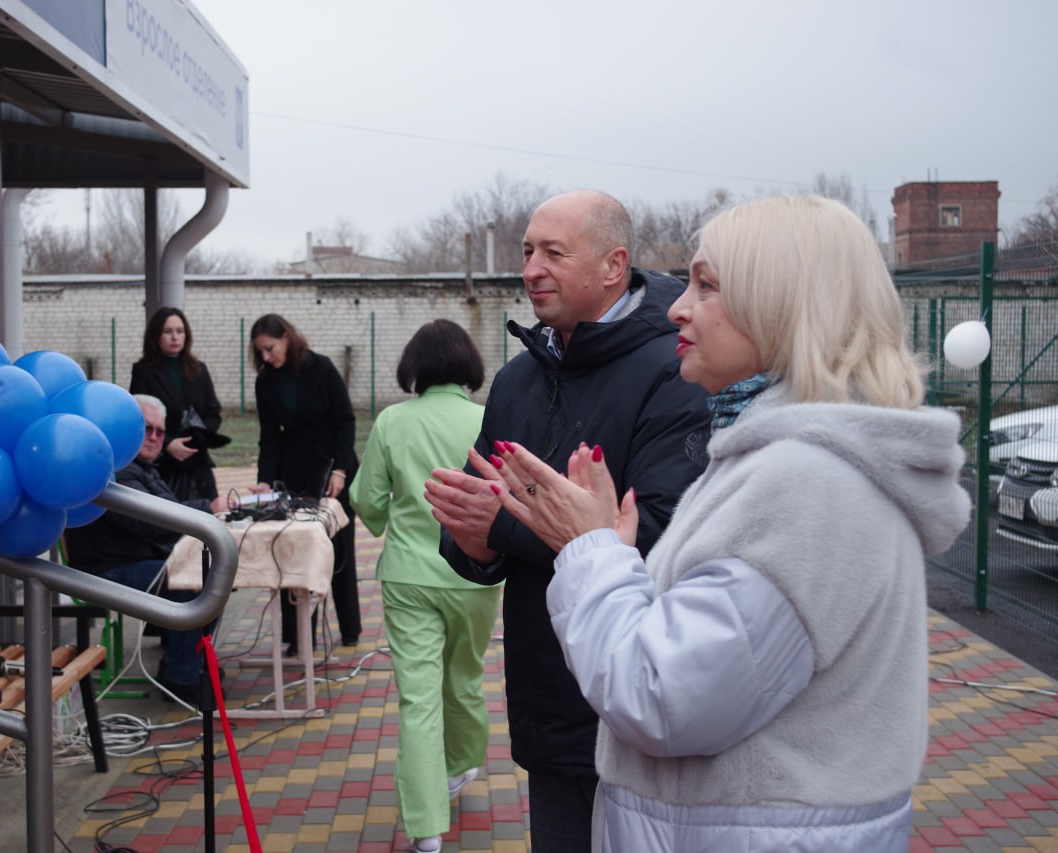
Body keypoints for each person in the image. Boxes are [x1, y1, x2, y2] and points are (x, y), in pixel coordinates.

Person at [483, 195, 972, 851]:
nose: (678, 307)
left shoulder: (807, 484)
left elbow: (660, 695)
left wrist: (593, 549)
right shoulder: (780, 458)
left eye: (706, 285)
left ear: (784, 304)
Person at [424, 189, 711, 850]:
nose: (530, 268)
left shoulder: (675, 372)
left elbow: (658, 532)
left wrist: (501, 528)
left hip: (640, 705)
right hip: (549, 705)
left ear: (613, 266)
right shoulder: (519, 381)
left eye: (553, 252)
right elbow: (483, 522)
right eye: (527, 251)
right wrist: (473, 543)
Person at [349, 320, 502, 853]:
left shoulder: (392, 421)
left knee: (418, 700)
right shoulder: (489, 419)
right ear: (469, 368)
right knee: (464, 677)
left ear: (414, 367)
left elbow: (366, 500)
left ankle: (426, 830)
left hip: (409, 575)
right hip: (475, 575)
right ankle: (460, 767)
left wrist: (390, 511)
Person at [64, 394, 229, 707]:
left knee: (205, 574)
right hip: (104, 571)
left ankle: (183, 664)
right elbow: (149, 522)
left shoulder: (141, 467)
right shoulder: (119, 470)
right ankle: (183, 678)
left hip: (129, 560)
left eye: (160, 432)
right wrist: (206, 508)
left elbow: (165, 516)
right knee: (199, 582)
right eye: (146, 429)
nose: (153, 437)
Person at [249, 313, 361, 653]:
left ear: (286, 337)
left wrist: (340, 470)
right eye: (261, 352)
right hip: (292, 472)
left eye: (270, 348)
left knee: (338, 549)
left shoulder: (322, 367)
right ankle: (298, 637)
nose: (266, 357)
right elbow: (269, 437)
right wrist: (265, 482)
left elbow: (345, 421)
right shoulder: (265, 381)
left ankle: (351, 628)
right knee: (292, 550)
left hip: (333, 468)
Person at [130, 306, 226, 503]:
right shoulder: (144, 371)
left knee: (210, 517)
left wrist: (198, 437)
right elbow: (138, 418)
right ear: (156, 335)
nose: (175, 337)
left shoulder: (199, 369)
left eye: (180, 331)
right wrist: (168, 444)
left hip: (199, 463)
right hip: (164, 465)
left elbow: (213, 413)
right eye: (168, 331)